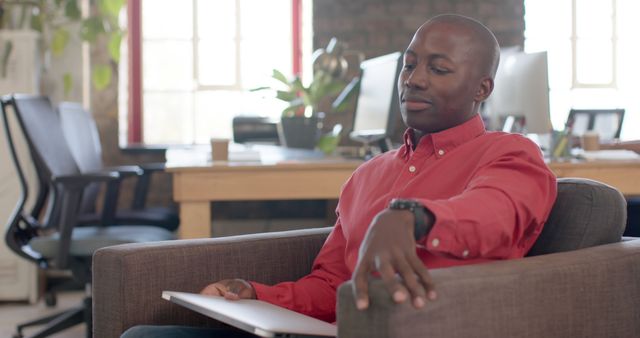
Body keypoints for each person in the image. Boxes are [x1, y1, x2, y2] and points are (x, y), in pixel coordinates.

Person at [122, 13, 557, 338]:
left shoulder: (509, 153)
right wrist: (256, 294)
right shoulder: (370, 173)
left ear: (482, 89)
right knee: (142, 335)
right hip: (340, 328)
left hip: (431, 325)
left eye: (438, 69)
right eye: (409, 66)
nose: (414, 80)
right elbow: (332, 284)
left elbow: (497, 214)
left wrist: (412, 217)